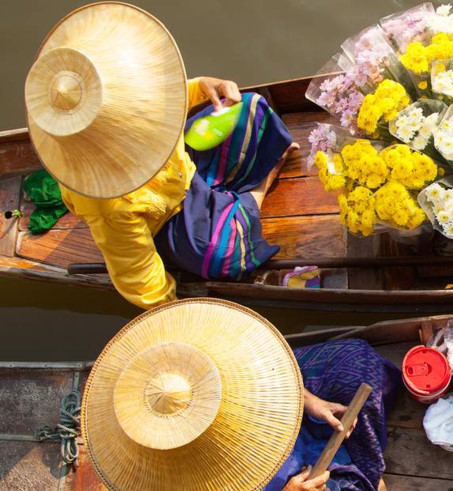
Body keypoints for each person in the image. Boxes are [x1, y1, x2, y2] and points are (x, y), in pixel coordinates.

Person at [80, 298, 430, 491]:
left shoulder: (176, 357)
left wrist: (307, 400)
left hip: (287, 414)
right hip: (289, 487)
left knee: (357, 361)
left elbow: (265, 365)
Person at [24, 3, 298, 310]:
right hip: (169, 218)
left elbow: (171, 97)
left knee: (250, 107)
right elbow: (138, 276)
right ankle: (259, 186)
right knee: (223, 254)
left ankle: (232, 201)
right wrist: (173, 312)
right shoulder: (108, 205)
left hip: (184, 170)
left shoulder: (133, 99)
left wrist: (205, 87)